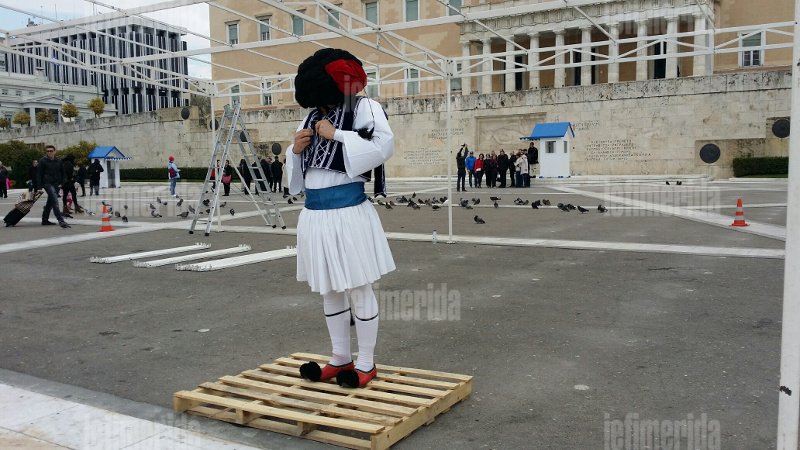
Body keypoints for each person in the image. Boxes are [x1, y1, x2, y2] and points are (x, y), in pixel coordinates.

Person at [288, 48, 394, 389]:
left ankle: (365, 362)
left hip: (349, 213)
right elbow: (294, 183)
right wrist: (295, 151)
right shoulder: (307, 120)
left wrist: (339, 135)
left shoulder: (365, 107)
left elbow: (383, 147)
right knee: (329, 289)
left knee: (359, 287)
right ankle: (339, 357)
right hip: (315, 215)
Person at [35, 145, 70, 228]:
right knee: (54, 200)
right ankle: (61, 220)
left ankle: (45, 220)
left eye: (51, 151)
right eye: (48, 151)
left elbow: (63, 173)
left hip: (57, 184)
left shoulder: (59, 161)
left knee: (50, 203)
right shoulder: (42, 161)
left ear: (55, 151)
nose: (49, 152)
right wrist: (39, 187)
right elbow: (39, 174)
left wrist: (62, 182)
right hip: (47, 183)